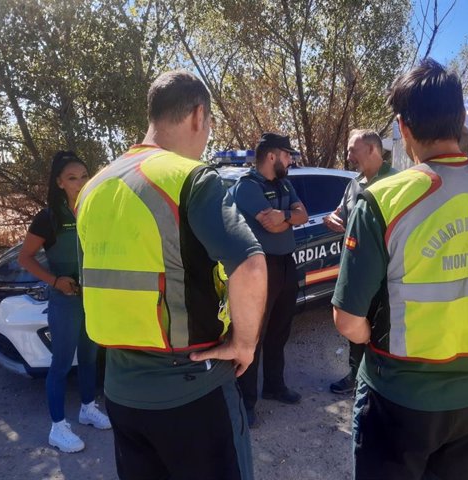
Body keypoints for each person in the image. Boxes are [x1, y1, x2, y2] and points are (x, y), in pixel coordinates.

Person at [331, 58, 468, 480]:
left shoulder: (382, 201)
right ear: (462, 118)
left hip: (395, 399)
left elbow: (348, 320)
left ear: (402, 126)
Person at [76, 70, 267, 480]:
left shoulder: (93, 188)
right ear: (199, 116)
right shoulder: (189, 176)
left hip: (121, 393)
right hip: (192, 389)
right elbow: (250, 264)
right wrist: (245, 344)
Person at [18, 151, 110, 453]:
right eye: (72, 178)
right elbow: (25, 258)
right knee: (60, 365)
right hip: (64, 299)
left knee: (89, 358)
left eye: (84, 176)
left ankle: (87, 408)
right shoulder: (48, 218)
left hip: (91, 298)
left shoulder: (92, 209)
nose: (80, 182)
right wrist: (55, 281)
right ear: (59, 182)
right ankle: (57, 427)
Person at [231, 132, 308, 427]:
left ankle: (274, 387)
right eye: (287, 155)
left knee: (280, 331)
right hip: (260, 269)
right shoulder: (247, 187)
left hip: (286, 266)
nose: (290, 160)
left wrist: (286, 215)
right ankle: (245, 402)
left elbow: (302, 215)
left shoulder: (284, 182)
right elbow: (273, 226)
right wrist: (290, 216)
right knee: (254, 336)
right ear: (273, 156)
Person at [324, 129, 397, 395]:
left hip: (388, 277)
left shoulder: (397, 182)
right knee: (354, 326)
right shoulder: (354, 184)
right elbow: (340, 212)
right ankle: (356, 375)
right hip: (357, 272)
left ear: (372, 149)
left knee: (384, 330)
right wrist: (331, 219)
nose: (348, 156)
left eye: (352, 149)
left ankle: (382, 381)